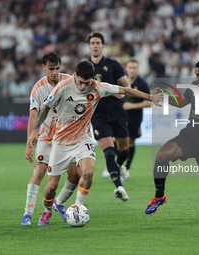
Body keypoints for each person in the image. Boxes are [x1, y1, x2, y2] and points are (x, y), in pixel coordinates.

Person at [27, 60, 163, 226]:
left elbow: (126, 89)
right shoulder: (63, 86)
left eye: (87, 83)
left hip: (83, 139)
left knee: (88, 174)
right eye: (81, 83)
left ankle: (77, 206)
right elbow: (46, 107)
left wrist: (150, 97)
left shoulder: (98, 86)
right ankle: (47, 210)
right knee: (51, 188)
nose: (84, 87)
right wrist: (35, 130)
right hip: (61, 142)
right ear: (75, 76)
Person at [145, 59, 199, 220]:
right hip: (189, 136)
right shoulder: (195, 86)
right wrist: (164, 96)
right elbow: (181, 102)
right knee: (162, 155)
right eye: (196, 74)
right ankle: (159, 196)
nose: (197, 78)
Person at [21, 52, 81, 226]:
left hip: (66, 137)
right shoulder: (38, 88)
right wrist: (30, 139)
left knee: (75, 175)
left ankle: (58, 203)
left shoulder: (70, 81)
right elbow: (33, 115)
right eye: (51, 69)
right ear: (44, 67)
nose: (55, 72)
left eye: (57, 68)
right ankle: (28, 213)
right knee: (39, 172)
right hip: (47, 137)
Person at [86, 32, 131, 198]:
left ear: (103, 46)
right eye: (92, 43)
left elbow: (126, 85)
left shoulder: (113, 64)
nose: (95, 45)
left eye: (98, 42)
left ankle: (120, 166)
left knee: (125, 150)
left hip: (116, 111)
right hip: (97, 113)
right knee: (109, 152)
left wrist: (121, 92)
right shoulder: (85, 67)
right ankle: (119, 187)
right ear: (89, 46)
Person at [123, 59, 151, 173]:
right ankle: (115, 163)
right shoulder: (121, 81)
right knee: (115, 139)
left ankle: (127, 167)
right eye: (130, 68)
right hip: (120, 116)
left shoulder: (142, 84)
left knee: (130, 142)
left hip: (135, 117)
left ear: (137, 69)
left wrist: (132, 106)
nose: (132, 70)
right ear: (126, 69)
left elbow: (149, 103)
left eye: (134, 68)